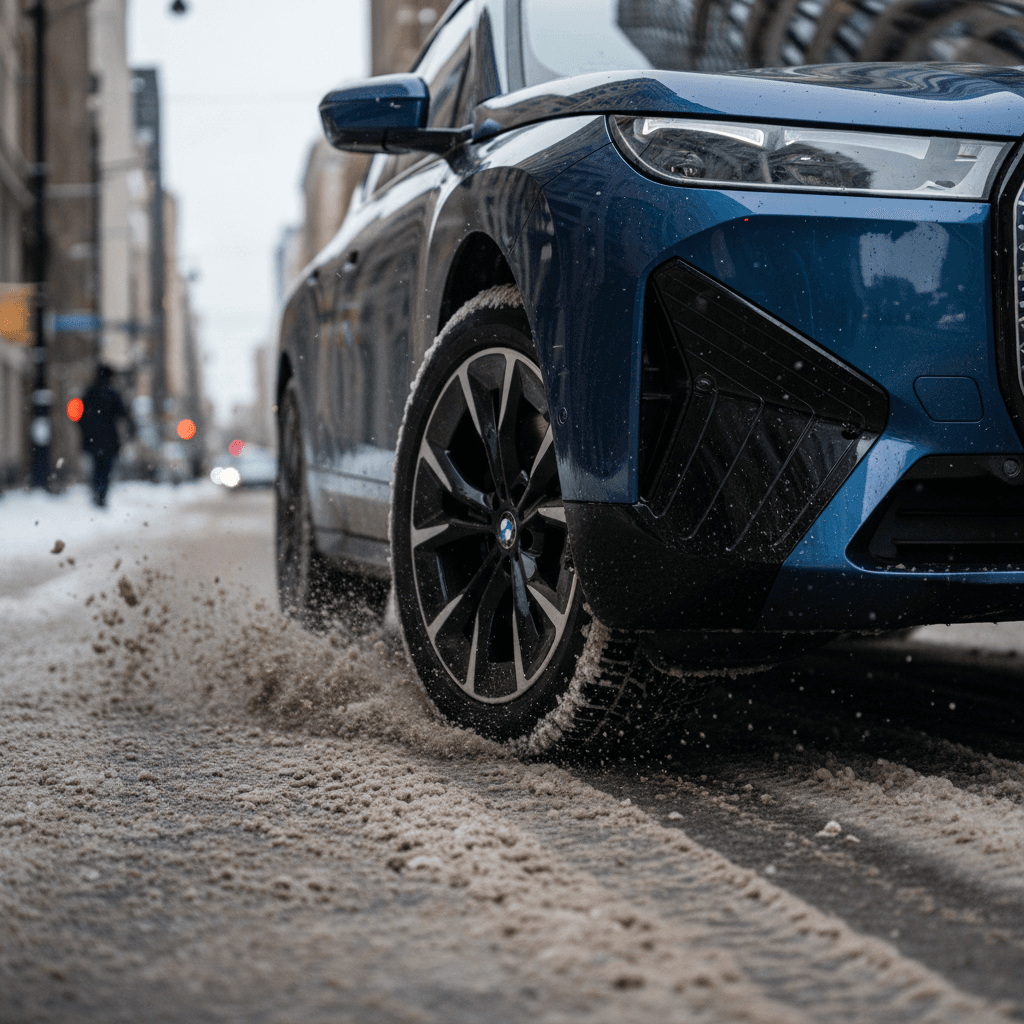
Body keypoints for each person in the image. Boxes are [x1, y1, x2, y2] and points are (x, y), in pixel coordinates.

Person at [77, 364, 134, 507]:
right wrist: (131, 428)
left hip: (92, 439)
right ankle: (101, 494)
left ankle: (97, 491)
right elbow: (123, 414)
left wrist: (85, 431)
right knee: (105, 468)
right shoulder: (112, 394)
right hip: (109, 440)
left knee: (96, 467)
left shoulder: (89, 393)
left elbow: (79, 416)